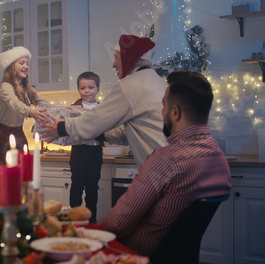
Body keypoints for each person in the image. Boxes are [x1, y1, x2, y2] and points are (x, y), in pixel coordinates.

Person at [97, 71, 232, 257]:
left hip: (134, 256)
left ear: (175, 112)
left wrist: (87, 232)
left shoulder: (166, 160)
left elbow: (117, 224)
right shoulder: (218, 158)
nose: (162, 112)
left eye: (163, 106)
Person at [41, 35, 168, 167]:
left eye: (116, 57)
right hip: (171, 162)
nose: (113, 64)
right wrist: (95, 134)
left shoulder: (131, 85)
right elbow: (124, 132)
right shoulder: (153, 80)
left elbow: (96, 120)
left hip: (162, 167)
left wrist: (62, 127)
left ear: (127, 58)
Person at [0, 46, 48, 169]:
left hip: (18, 133)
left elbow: (40, 100)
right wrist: (31, 112)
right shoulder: (5, 87)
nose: (26, 66)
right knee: (2, 174)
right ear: (11, 66)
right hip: (2, 134)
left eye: (27, 63)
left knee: (21, 172)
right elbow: (14, 103)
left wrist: (58, 108)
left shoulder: (27, 88)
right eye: (21, 63)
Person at [68, 72, 104, 223]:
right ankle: (75, 218)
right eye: (83, 88)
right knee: (77, 185)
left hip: (96, 151)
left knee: (92, 187)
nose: (87, 91)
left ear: (98, 88)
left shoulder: (103, 108)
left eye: (91, 87)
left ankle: (91, 220)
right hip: (79, 151)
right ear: (78, 89)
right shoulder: (73, 108)